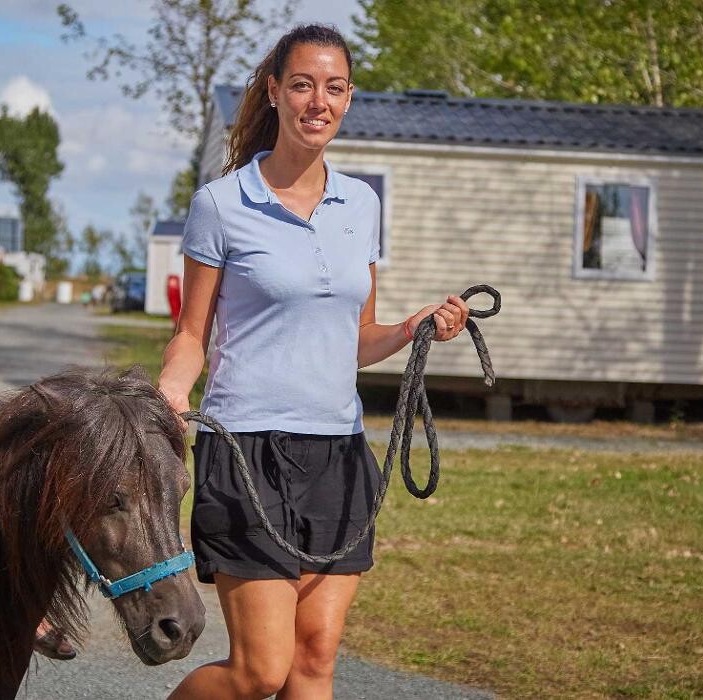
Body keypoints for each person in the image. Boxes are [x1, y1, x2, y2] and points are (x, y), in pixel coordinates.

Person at [159, 25, 471, 699]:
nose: (316, 101)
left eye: (333, 87)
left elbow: (356, 337)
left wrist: (415, 327)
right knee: (258, 672)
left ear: (349, 98)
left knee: (315, 658)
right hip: (247, 451)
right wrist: (169, 395)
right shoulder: (221, 205)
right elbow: (191, 335)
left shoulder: (360, 203)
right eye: (301, 84)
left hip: (338, 453)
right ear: (273, 93)